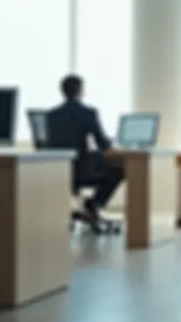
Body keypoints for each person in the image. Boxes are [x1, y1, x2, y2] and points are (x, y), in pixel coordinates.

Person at [46, 75, 123, 220]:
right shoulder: (88, 113)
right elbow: (102, 143)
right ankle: (93, 205)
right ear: (80, 91)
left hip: (58, 169)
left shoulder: (51, 115)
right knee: (119, 170)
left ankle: (89, 208)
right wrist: (113, 144)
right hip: (82, 170)